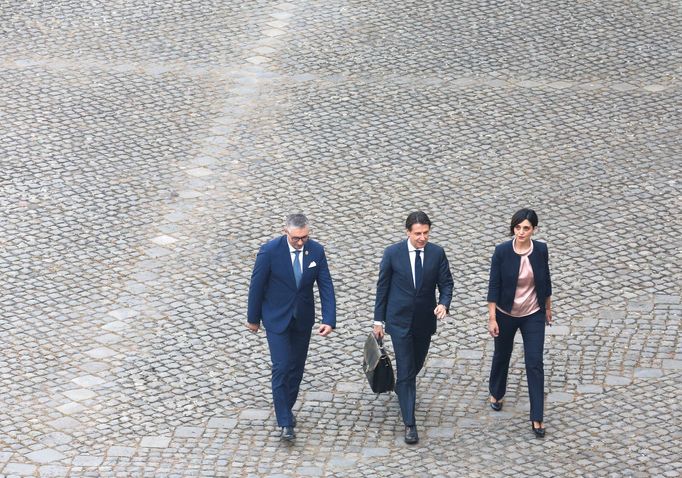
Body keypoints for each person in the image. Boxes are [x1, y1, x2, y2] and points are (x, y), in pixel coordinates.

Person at [247, 214, 336, 441]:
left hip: (302, 318)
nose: (300, 242)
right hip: (276, 317)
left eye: (304, 237)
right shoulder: (269, 251)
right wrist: (253, 318)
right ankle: (285, 421)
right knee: (282, 366)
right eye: (296, 238)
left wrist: (329, 319)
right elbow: (256, 285)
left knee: (296, 367)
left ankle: (286, 407)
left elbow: (325, 285)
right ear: (285, 231)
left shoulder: (316, 251)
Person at [373, 211, 454, 444]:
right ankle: (410, 423)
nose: (422, 238)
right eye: (418, 233)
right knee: (407, 369)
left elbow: (446, 283)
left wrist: (443, 304)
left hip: (423, 322)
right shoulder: (392, 253)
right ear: (408, 232)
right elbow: (383, 289)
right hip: (398, 321)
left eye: (426, 233)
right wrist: (378, 321)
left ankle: (402, 387)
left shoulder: (436, 253)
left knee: (416, 364)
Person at [486, 208, 553, 438]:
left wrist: (548, 307)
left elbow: (546, 279)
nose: (521, 232)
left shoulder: (541, 250)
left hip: (533, 313)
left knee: (534, 362)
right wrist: (492, 317)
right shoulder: (502, 251)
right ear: (513, 228)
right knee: (502, 355)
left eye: (526, 228)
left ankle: (537, 417)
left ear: (534, 229)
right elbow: (493, 286)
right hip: (505, 313)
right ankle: (496, 392)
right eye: (518, 227)